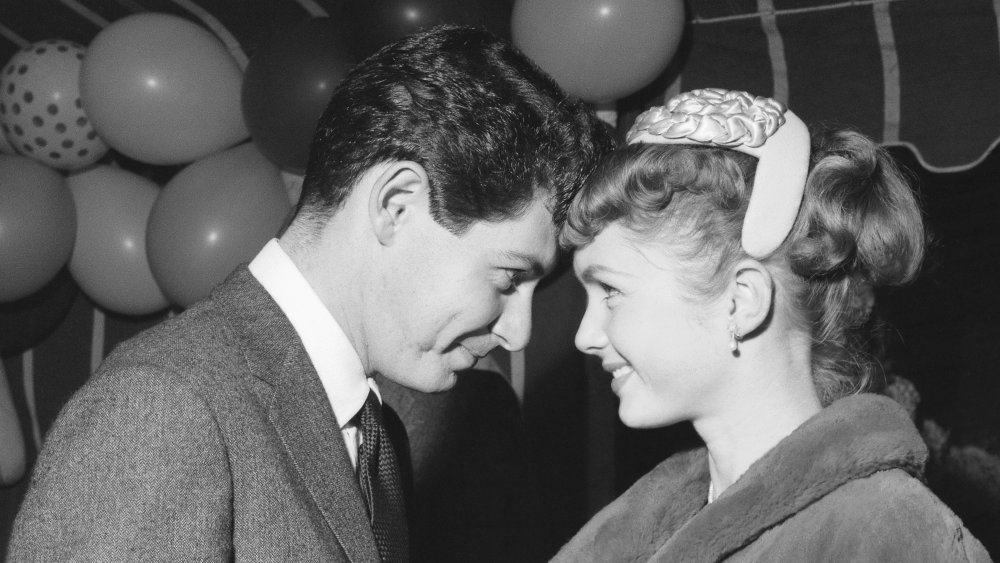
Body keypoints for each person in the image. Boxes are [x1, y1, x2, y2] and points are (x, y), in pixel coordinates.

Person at [7, 26, 614, 562]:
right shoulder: (162, 408)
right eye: (509, 278)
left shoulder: (380, 427)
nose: (519, 330)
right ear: (396, 204)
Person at [553, 88, 991, 561]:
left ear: (742, 301)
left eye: (611, 292)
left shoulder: (896, 540)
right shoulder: (628, 532)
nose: (585, 336)